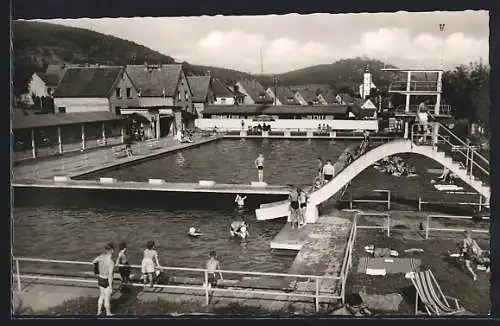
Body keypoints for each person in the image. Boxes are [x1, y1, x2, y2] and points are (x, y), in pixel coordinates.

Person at [92, 243, 115, 316]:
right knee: (107, 298)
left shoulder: (100, 257)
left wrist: (97, 268)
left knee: (101, 295)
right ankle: (108, 313)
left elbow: (93, 261)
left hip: (100, 278)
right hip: (106, 280)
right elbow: (110, 276)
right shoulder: (111, 262)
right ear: (112, 250)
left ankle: (98, 311)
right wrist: (111, 287)